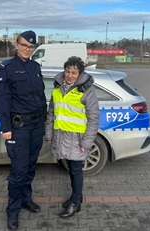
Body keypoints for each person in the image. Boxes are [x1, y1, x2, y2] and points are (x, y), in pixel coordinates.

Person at [0, 30, 47, 230]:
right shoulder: (6, 68)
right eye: (24, 45)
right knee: (19, 170)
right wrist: (6, 127)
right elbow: (2, 99)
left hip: (36, 125)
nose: (27, 49)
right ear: (16, 45)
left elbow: (41, 96)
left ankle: (26, 199)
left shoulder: (35, 67)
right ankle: (13, 211)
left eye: (31, 47)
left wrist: (43, 119)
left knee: (31, 166)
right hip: (19, 128)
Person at [45, 56, 99, 219]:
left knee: (76, 170)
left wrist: (87, 142)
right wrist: (49, 134)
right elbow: (51, 113)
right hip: (61, 136)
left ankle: (76, 203)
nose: (69, 75)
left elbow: (94, 118)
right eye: (68, 71)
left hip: (77, 139)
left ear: (80, 74)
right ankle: (76, 197)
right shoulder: (58, 88)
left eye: (74, 72)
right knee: (71, 169)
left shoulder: (86, 90)